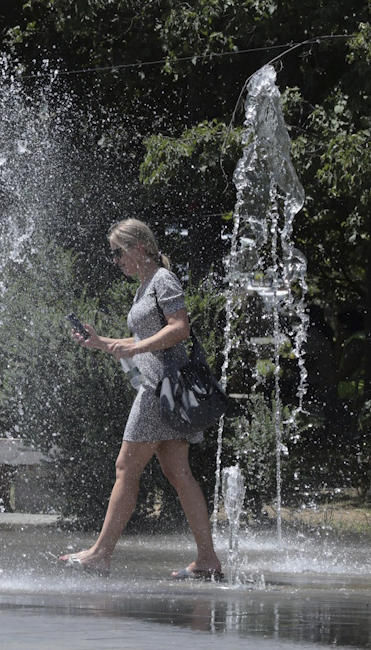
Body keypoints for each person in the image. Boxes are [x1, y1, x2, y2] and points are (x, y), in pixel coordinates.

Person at [59, 218, 223, 580]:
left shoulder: (163, 279)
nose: (115, 260)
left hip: (159, 389)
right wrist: (101, 343)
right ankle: (207, 559)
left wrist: (136, 347)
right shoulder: (144, 286)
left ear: (140, 247)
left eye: (118, 252)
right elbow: (143, 341)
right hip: (163, 389)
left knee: (126, 468)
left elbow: (180, 328)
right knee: (179, 473)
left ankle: (100, 554)